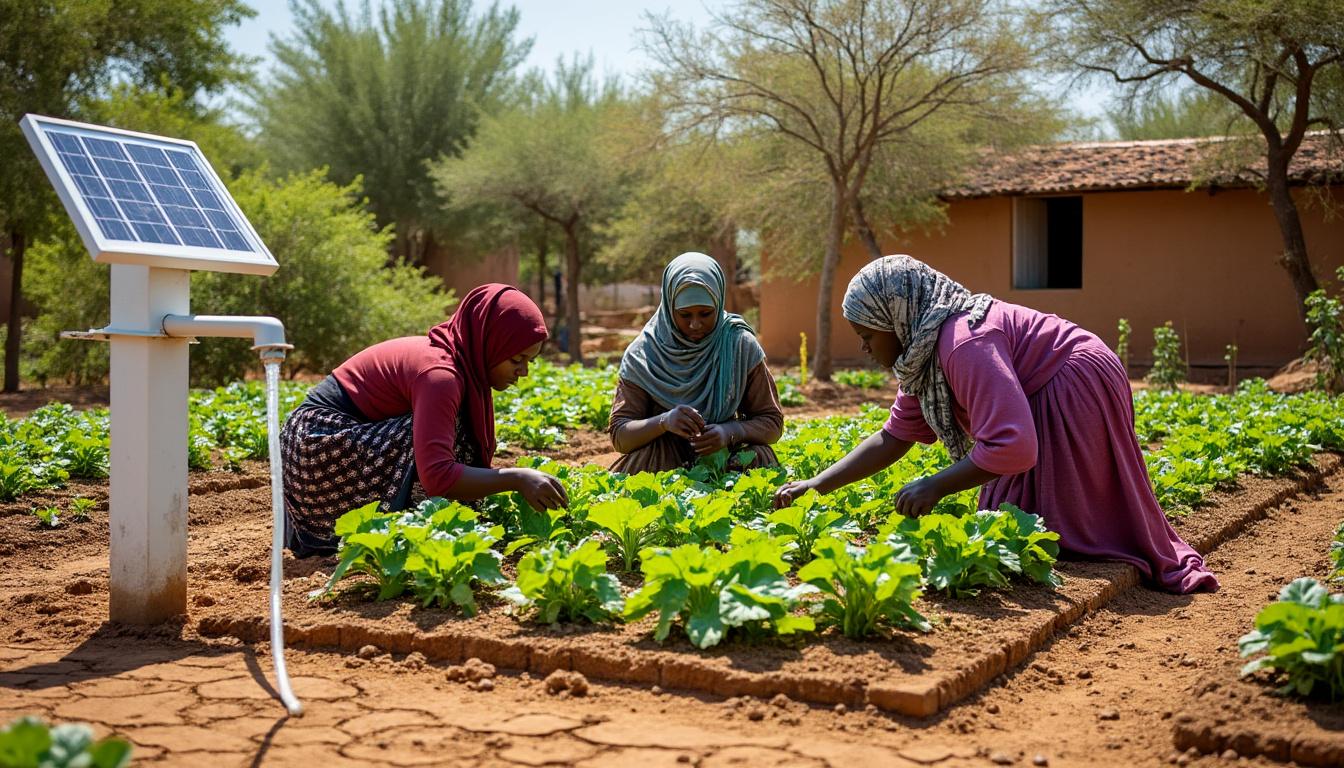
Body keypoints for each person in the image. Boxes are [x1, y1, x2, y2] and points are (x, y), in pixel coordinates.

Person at [774, 255, 1217, 594]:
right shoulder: (923, 350)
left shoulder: (964, 342)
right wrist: (816, 486)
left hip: (1072, 376)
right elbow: (894, 436)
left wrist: (935, 486)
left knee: (1068, 529)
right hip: (1052, 380)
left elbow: (1014, 447)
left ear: (897, 318)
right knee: (1008, 517)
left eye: (868, 335)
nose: (865, 348)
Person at [280, 284, 568, 557]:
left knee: (444, 430)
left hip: (331, 437)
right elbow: (438, 476)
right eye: (517, 359)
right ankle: (381, 528)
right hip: (315, 444)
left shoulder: (460, 362)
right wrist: (516, 478)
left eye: (530, 361)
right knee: (444, 434)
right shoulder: (440, 376)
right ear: (490, 343)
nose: (524, 371)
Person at [608, 252, 784, 474]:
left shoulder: (739, 345)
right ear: (669, 309)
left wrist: (729, 431)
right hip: (662, 463)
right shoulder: (643, 354)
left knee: (758, 457)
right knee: (638, 476)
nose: (695, 324)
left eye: (705, 313)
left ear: (718, 305)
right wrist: (664, 422)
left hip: (727, 458)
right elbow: (621, 436)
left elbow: (772, 423)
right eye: (684, 315)